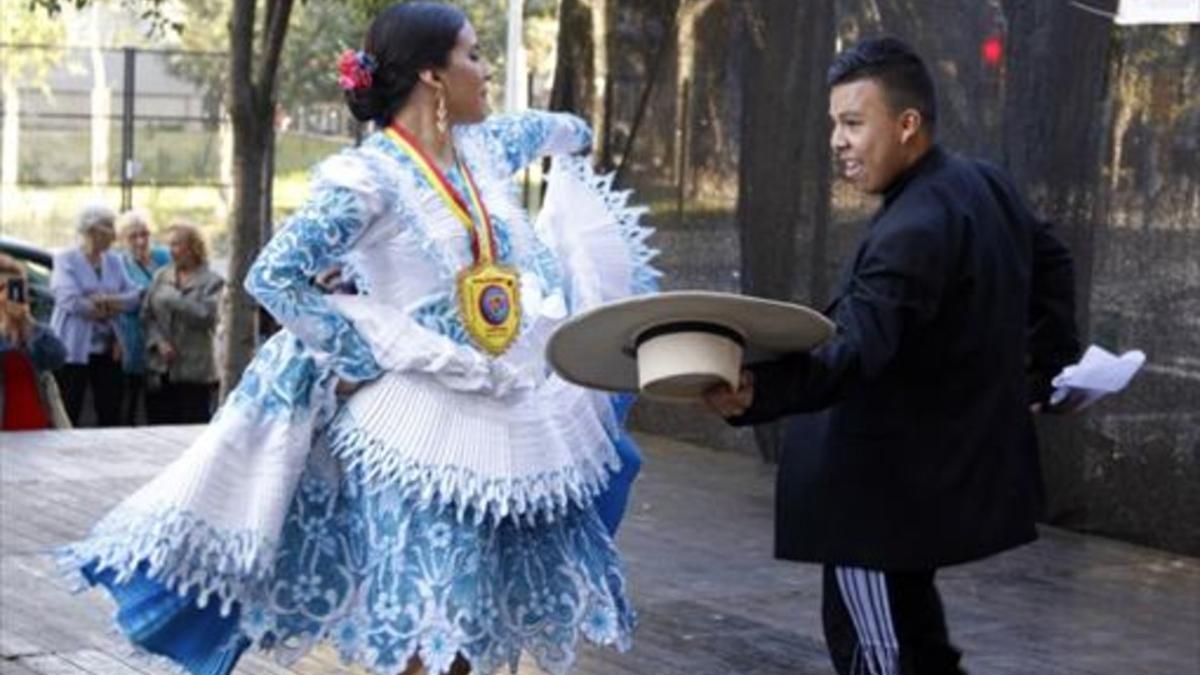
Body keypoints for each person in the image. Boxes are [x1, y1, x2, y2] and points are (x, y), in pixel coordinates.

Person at [62, 4, 655, 675]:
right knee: (426, 639)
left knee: (477, 635)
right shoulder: (370, 179)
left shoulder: (486, 146)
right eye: (475, 56)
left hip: (505, 414)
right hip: (417, 429)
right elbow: (274, 276)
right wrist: (362, 349)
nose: (486, 72)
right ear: (433, 76)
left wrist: (575, 136)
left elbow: (565, 130)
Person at [704, 37, 1079, 674]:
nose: (837, 142)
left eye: (853, 123)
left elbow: (852, 352)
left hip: (872, 508)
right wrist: (1048, 364)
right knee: (920, 647)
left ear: (907, 125)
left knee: (882, 658)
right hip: (916, 492)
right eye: (833, 124)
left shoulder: (912, 230)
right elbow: (1054, 262)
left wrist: (755, 393)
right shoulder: (982, 184)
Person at [50, 204, 141, 427]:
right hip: (72, 349)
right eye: (108, 227)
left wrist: (106, 301)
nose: (114, 233)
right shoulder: (65, 259)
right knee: (69, 407)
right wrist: (111, 304)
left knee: (110, 410)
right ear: (92, 230)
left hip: (109, 348)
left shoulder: (114, 261)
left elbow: (134, 296)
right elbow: (69, 300)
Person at [142, 223, 224, 424]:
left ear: (194, 247)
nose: (172, 250)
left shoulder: (213, 281)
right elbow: (147, 315)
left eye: (177, 245)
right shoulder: (161, 276)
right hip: (161, 368)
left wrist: (176, 300)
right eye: (170, 245)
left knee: (191, 425)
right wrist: (158, 342)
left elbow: (208, 316)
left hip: (195, 371)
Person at [113, 210, 172, 424]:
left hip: (162, 337)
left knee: (158, 402)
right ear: (122, 240)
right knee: (129, 398)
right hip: (131, 336)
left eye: (144, 234)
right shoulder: (119, 264)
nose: (140, 241)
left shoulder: (164, 257)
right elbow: (120, 300)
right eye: (133, 236)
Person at [0, 253, 68, 430]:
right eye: (1, 288)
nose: (8, 296)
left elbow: (57, 357)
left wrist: (26, 323)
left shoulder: (33, 329)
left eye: (15, 288)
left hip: (37, 425)